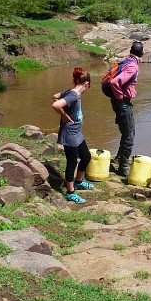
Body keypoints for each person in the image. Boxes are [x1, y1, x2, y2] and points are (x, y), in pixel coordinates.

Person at [52, 67, 94, 203]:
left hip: (77, 132)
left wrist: (67, 112)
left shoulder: (71, 93)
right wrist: (64, 116)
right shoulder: (73, 95)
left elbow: (56, 95)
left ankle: (78, 181)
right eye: (88, 86)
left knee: (86, 156)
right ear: (86, 84)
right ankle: (70, 192)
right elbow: (56, 104)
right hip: (70, 133)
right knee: (72, 163)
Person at [109, 41, 143, 176]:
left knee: (127, 131)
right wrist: (119, 98)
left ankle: (118, 158)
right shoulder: (132, 67)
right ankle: (123, 167)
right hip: (122, 103)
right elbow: (114, 82)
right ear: (142, 53)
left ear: (130, 51)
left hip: (119, 102)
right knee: (129, 134)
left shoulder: (126, 60)